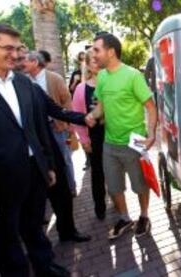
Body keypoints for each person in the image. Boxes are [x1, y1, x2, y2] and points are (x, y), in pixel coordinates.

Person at [0, 24, 69, 277]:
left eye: (18, 48)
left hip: (34, 171)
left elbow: (38, 128)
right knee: (6, 237)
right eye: (8, 48)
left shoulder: (24, 83)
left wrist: (48, 165)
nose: (15, 55)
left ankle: (44, 267)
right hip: (2, 179)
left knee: (34, 226)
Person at [15, 48, 92, 243]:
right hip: (23, 160)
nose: (20, 59)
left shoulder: (30, 87)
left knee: (63, 195)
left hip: (48, 150)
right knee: (32, 207)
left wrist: (86, 118)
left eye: (22, 55)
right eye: (18, 54)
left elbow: (57, 110)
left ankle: (68, 232)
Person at [87, 33, 158, 240]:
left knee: (140, 185)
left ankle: (144, 216)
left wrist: (152, 133)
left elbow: (151, 107)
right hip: (109, 143)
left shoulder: (133, 75)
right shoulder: (101, 77)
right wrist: (92, 115)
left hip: (134, 142)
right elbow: (101, 106)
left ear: (111, 52)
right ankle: (125, 218)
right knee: (114, 187)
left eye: (97, 49)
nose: (94, 54)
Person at [23, 51, 78, 196]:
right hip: (38, 131)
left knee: (65, 159)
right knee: (46, 161)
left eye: (26, 61)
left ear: (35, 62)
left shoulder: (55, 78)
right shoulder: (24, 81)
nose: (23, 63)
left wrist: (70, 124)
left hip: (57, 127)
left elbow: (66, 100)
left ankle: (71, 187)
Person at [73, 50, 107, 220]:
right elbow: (78, 117)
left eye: (98, 58)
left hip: (115, 136)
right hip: (95, 138)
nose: (97, 62)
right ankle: (100, 206)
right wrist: (84, 140)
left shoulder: (113, 83)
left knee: (115, 173)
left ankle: (118, 200)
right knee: (98, 174)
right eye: (93, 60)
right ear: (87, 65)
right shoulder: (81, 89)